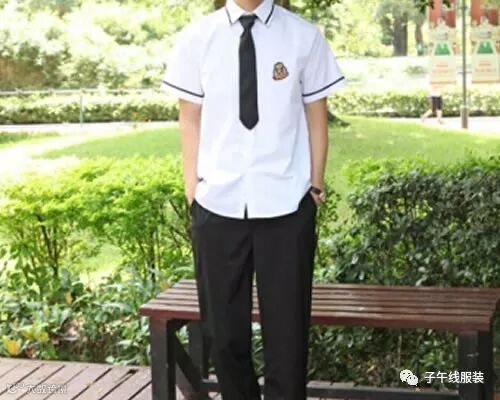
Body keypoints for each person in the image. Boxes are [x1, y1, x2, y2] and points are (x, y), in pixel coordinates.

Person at [161, 0, 346, 398]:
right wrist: (193, 191)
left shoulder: (303, 36)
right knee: (224, 332)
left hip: (287, 204)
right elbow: (189, 117)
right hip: (217, 204)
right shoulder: (197, 38)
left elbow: (317, 116)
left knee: (288, 330)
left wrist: (315, 184)